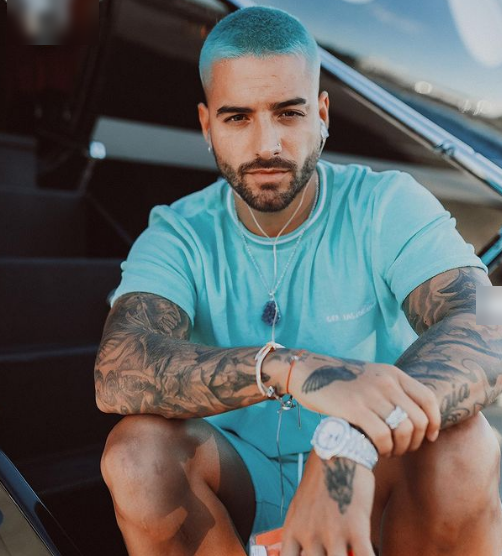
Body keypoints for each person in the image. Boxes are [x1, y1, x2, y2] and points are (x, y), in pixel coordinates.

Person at [94, 6, 502, 556]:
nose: (267, 145)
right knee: (135, 454)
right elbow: (119, 368)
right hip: (239, 478)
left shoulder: (385, 204)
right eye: (238, 118)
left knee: (464, 444)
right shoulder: (178, 232)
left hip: (371, 482)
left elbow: (487, 325)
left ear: (322, 115)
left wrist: (348, 440)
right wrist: (288, 368)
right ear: (207, 126)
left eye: (288, 113)